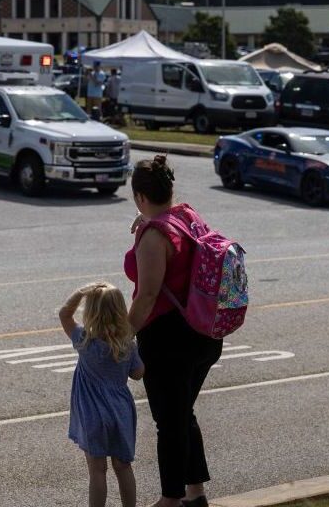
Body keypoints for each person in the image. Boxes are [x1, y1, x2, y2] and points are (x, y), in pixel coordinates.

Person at [125, 155, 223, 507]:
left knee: (169, 421)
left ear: (139, 196)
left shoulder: (155, 235)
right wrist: (147, 220)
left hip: (169, 341)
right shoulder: (187, 216)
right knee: (183, 413)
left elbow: (148, 294)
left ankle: (170, 499)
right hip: (205, 333)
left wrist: (123, 337)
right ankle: (195, 494)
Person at [59, 282, 145, 507]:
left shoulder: (84, 340)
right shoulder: (127, 344)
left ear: (91, 312)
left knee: (97, 470)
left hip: (92, 414)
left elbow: (64, 314)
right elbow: (138, 374)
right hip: (120, 412)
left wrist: (80, 291)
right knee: (123, 467)